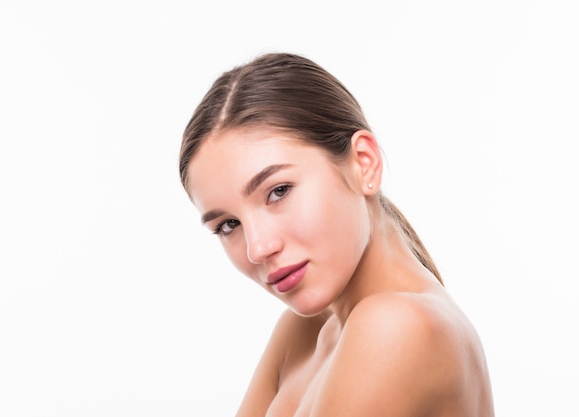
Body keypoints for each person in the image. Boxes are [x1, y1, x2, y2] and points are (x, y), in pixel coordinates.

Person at [178, 52, 494, 417]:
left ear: (363, 163)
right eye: (228, 225)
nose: (258, 248)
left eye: (278, 191)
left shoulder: (398, 325)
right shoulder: (302, 334)